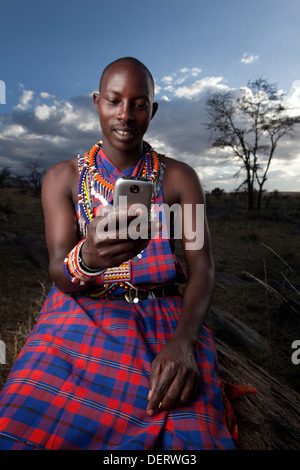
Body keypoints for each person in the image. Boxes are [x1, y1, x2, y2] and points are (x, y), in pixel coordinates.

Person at [0, 57, 237, 450]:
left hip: (164, 320)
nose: (125, 114)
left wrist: (182, 344)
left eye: (139, 103)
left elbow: (202, 269)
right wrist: (88, 256)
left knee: (189, 438)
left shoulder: (179, 178)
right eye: (114, 101)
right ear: (97, 103)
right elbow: (59, 272)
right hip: (79, 314)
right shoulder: (63, 178)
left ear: (152, 110)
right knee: (18, 425)